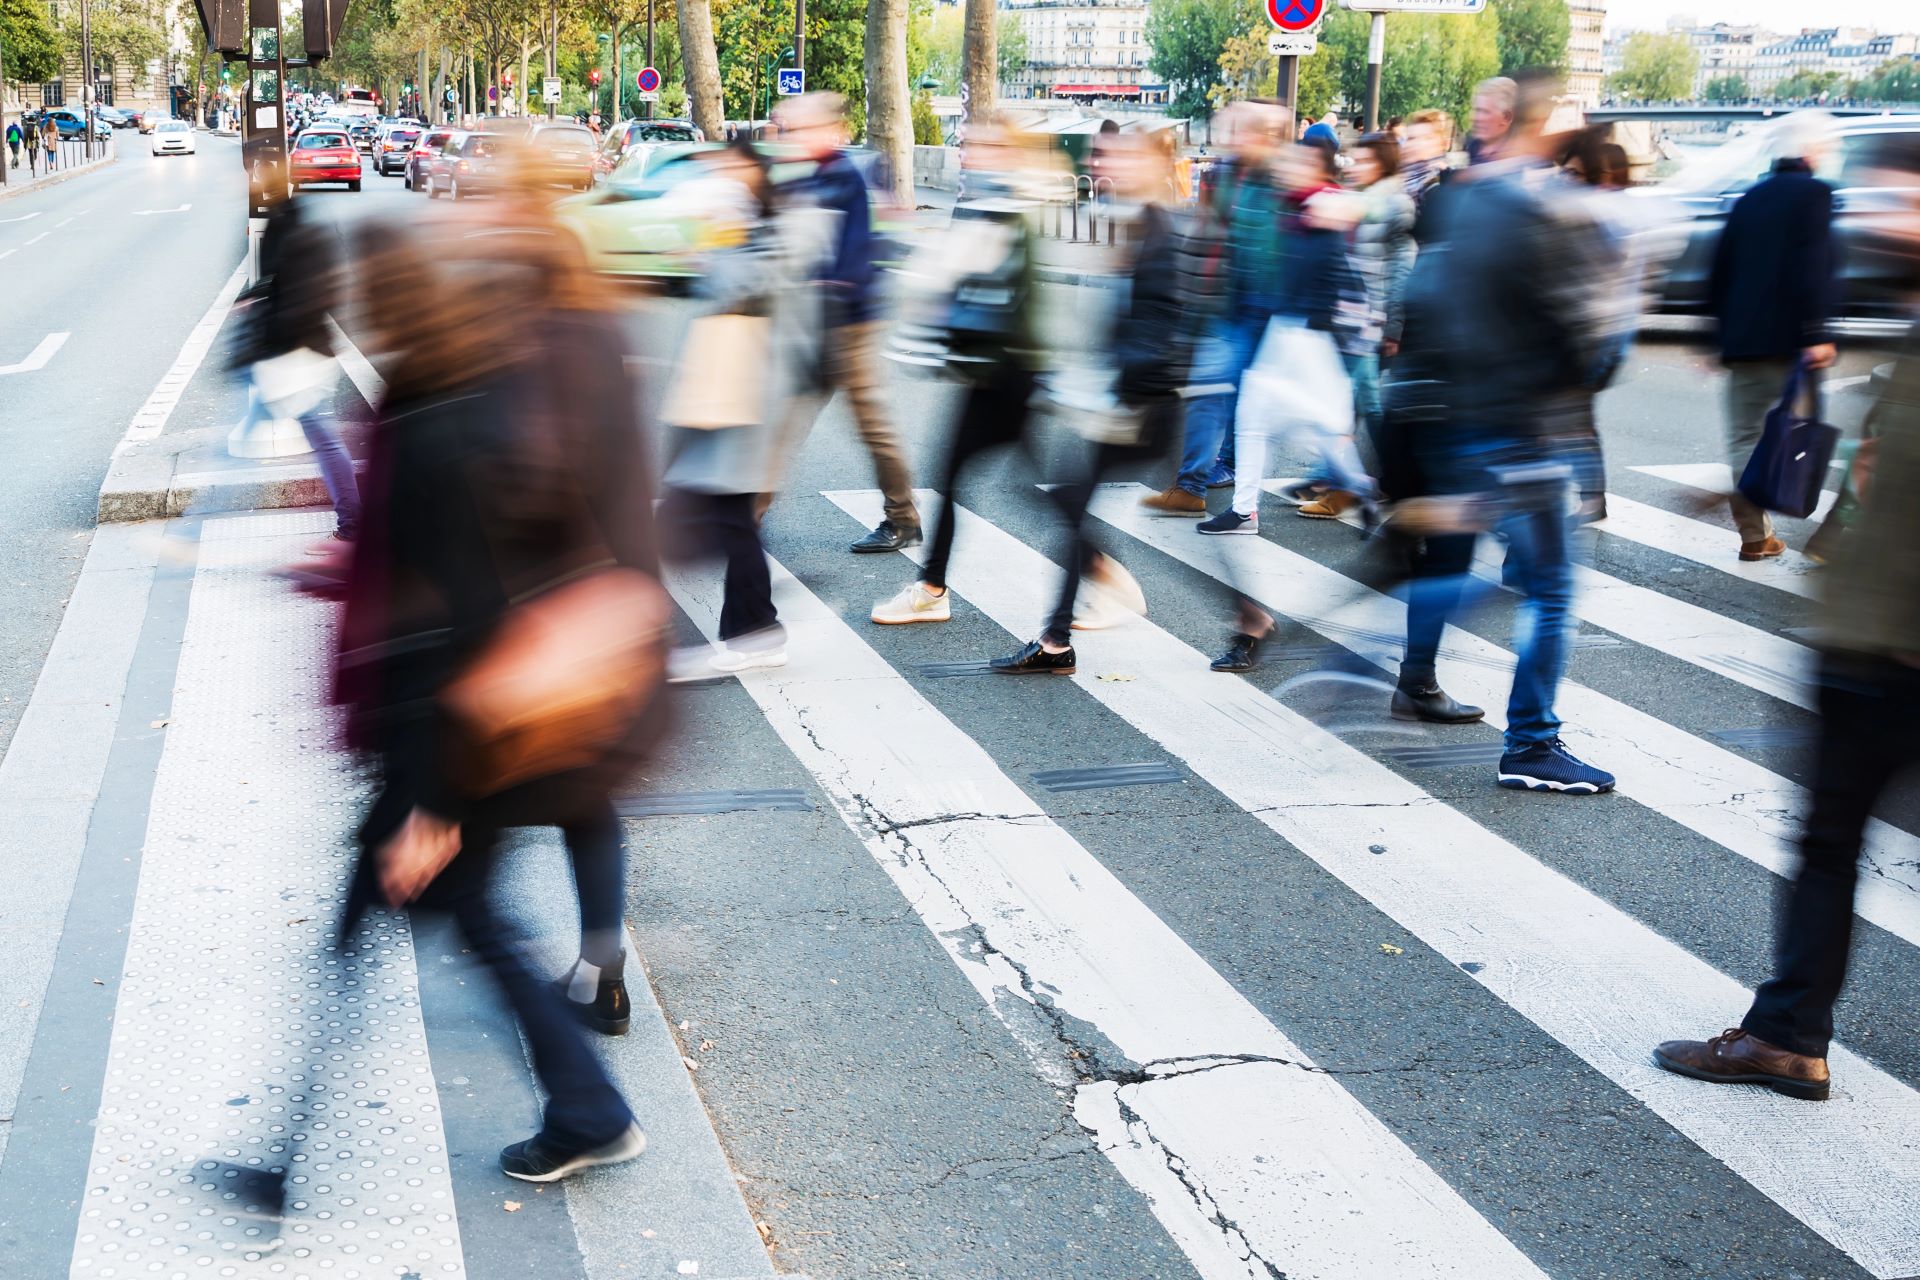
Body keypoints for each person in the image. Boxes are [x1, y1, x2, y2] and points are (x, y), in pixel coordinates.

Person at [337, 195, 664, 1182]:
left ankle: (589, 1102)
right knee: (472, 903)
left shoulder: (436, 418)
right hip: (499, 698)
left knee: (457, 910)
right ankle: (590, 1062)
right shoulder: (486, 384)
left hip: (460, 713)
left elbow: (463, 605)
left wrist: (435, 796)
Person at [1656, 138, 1920, 1095]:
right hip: (1870, 635)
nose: (1878, 218)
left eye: (1901, 199)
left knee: (1829, 843)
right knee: (1827, 843)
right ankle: (1787, 1033)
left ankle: (1789, 1033)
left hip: (1890, 644)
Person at [1413, 69, 1625, 792]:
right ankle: (1532, 742)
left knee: (1478, 567)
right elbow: (1592, 343)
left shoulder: (1464, 197)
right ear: (1545, 123)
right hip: (1528, 431)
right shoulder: (1550, 212)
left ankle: (1373, 657)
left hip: (1464, 417)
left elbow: (1426, 300)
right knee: (1550, 589)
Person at [989, 130, 1193, 675]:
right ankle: (1058, 638)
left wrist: (1108, 389)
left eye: (1124, 158)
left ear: (1152, 167)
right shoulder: (1133, 224)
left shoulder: (1160, 231)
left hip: (1143, 407)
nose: (1108, 165)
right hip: (1125, 398)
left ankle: (1059, 637)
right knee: (1067, 504)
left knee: (1070, 505)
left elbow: (1159, 331)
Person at [870, 119, 1046, 627]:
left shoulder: (1006, 211)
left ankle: (932, 589)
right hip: (995, 374)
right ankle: (1096, 569)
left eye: (982, 146)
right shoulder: (993, 206)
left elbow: (961, 282)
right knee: (999, 484)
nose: (969, 155)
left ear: (1007, 152)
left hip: (1007, 376)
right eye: (968, 146)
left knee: (977, 482)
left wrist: (929, 333)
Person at [659, 139, 799, 678]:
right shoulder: (748, 232)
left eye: (731, 167)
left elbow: (739, 289)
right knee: (728, 516)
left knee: (727, 517)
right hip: (723, 392)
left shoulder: (763, 237)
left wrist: (720, 241)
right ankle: (756, 623)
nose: (719, 176)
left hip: (739, 396)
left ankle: (758, 625)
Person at [766, 91, 922, 553]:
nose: (791, 136)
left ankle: (903, 519)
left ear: (831, 130)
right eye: (789, 129)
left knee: (869, 425)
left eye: (800, 128)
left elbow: (856, 255)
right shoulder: (812, 178)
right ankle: (744, 518)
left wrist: (826, 284)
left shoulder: (850, 177)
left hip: (849, 327)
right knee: (785, 422)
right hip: (822, 322)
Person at [1139, 99, 1290, 516]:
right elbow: (1207, 238)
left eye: (1239, 130)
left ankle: (1343, 481)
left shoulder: (1281, 178)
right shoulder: (1225, 174)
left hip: (1266, 308)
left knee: (1248, 401)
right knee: (1211, 390)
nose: (1231, 137)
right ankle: (1192, 485)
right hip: (1227, 303)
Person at [1707, 110, 1839, 562]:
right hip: (1790, 341)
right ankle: (1813, 523)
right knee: (1796, 433)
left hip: (1743, 339)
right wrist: (1817, 331)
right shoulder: (1815, 194)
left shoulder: (1749, 197)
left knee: (1745, 436)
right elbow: (1813, 264)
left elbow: (1720, 268)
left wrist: (1714, 338)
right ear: (1809, 150)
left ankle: (1754, 535)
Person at [232, 194, 363, 546]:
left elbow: (302, 299)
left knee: (325, 441)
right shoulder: (293, 229)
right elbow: (278, 284)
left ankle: (352, 526)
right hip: (294, 357)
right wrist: (251, 298)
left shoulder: (295, 235)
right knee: (321, 440)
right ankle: (351, 524)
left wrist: (267, 342)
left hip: (295, 362)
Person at [1328, 130, 1415, 520]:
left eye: (1364, 161)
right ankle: (1364, 480)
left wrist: (1393, 326)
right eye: (1355, 159)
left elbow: (1400, 270)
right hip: (1352, 317)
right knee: (1358, 401)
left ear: (1383, 164)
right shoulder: (1361, 199)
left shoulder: (1394, 204)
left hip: (1372, 319)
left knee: (1367, 402)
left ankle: (1394, 480)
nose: (1355, 166)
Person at [1399, 108, 1453, 205]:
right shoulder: (1401, 180)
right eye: (1410, 138)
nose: (1411, 144)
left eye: (1423, 138)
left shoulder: (1442, 190)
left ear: (1441, 144)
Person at [1466, 77, 1516, 165]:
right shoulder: (1469, 148)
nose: (1474, 118)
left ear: (1506, 117)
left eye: (1484, 112)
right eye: (1475, 110)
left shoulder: (1517, 160)